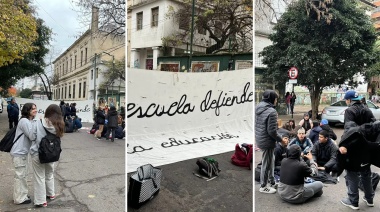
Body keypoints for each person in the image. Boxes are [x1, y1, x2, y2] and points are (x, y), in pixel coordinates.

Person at [339, 90, 375, 210]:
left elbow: (349, 130)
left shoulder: (349, 111)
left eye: (346, 100)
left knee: (352, 173)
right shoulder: (367, 109)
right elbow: (374, 127)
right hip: (366, 147)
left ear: (349, 100)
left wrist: (344, 145)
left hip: (354, 148)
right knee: (366, 173)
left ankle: (353, 201)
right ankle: (369, 199)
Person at [30, 104, 65, 207]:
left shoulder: (39, 121)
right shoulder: (60, 124)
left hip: (38, 153)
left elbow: (32, 136)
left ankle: (41, 200)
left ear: (47, 112)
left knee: (39, 177)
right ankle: (51, 194)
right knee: (49, 174)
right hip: (52, 153)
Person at [10, 103, 37, 205]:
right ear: (27, 110)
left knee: (23, 175)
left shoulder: (28, 121)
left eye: (35, 108)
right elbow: (32, 136)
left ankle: (22, 195)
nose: (35, 110)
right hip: (19, 153)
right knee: (20, 176)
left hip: (22, 152)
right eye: (33, 109)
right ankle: (19, 199)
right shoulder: (24, 121)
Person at [255, 90, 282, 194]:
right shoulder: (271, 111)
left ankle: (271, 181)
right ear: (271, 99)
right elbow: (272, 131)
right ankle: (263, 186)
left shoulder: (258, 107)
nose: (276, 101)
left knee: (271, 160)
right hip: (267, 140)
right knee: (266, 163)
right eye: (275, 99)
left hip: (260, 137)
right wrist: (280, 140)